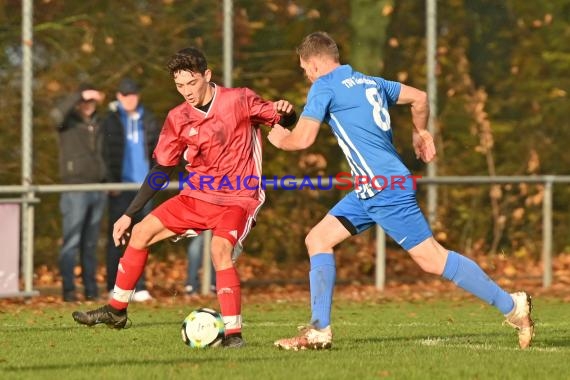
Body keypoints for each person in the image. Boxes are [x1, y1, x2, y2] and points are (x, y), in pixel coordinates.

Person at [269, 32, 534, 351]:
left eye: (304, 69)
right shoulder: (370, 82)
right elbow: (420, 97)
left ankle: (513, 306)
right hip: (371, 189)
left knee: (432, 259)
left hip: (383, 189)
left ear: (313, 64)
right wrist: (420, 131)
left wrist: (280, 138)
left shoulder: (323, 86)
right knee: (318, 239)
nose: (306, 75)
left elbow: (303, 139)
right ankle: (319, 331)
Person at [71, 47, 296, 348]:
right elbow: (162, 168)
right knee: (140, 233)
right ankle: (116, 311)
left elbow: (283, 120)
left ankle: (233, 336)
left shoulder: (239, 99)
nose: (187, 92)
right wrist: (129, 213)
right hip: (196, 196)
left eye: (192, 83)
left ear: (207, 75)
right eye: (180, 86)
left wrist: (288, 111)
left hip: (239, 197)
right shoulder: (177, 118)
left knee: (219, 250)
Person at [101, 78, 161, 303]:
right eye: (125, 95)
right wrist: (110, 182)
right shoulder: (111, 120)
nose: (130, 99)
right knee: (117, 238)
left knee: (143, 237)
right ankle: (113, 286)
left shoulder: (150, 119)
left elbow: (159, 153)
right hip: (120, 188)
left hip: (144, 190)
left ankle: (141, 286)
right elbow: (104, 153)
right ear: (118, 96)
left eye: (133, 94)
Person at [51, 84, 107, 302]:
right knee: (71, 242)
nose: (87, 105)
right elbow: (55, 115)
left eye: (91, 101)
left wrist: (107, 180)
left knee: (91, 244)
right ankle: (68, 291)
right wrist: (79, 95)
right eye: (84, 101)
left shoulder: (100, 123)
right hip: (74, 188)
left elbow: (107, 153)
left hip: (98, 188)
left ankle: (91, 290)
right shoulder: (68, 123)